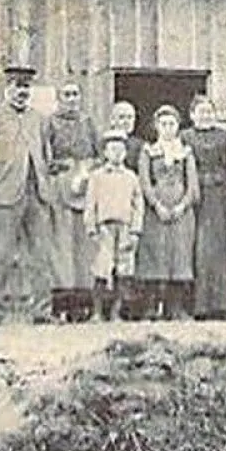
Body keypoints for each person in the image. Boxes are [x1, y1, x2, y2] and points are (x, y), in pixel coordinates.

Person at [0, 64, 58, 323]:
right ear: (7, 88)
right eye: (17, 86)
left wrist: (43, 180)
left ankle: (42, 310)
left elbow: (46, 154)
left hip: (37, 195)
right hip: (6, 197)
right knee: (1, 255)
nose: (21, 92)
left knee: (41, 255)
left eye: (25, 87)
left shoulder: (39, 119)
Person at [136, 105, 200, 321]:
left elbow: (192, 183)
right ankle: (151, 307)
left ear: (178, 126)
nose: (168, 128)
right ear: (156, 127)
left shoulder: (186, 152)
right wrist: (156, 205)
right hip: (157, 210)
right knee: (155, 255)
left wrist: (183, 205)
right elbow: (144, 181)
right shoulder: (148, 151)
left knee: (179, 255)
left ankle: (176, 307)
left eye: (172, 124)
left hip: (181, 209)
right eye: (163, 124)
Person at [181, 96, 226, 319]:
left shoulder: (225, 136)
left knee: (219, 251)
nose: (206, 116)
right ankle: (198, 306)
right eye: (201, 112)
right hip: (196, 196)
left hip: (220, 196)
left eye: (209, 112)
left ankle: (222, 305)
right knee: (198, 250)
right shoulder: (185, 137)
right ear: (192, 115)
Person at [47, 79, 102, 293]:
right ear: (60, 99)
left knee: (85, 239)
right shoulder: (51, 123)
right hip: (60, 185)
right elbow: (46, 156)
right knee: (62, 239)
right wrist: (63, 166)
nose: (72, 99)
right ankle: (63, 291)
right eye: (67, 95)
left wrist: (86, 169)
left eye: (75, 94)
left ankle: (84, 292)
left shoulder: (88, 122)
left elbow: (100, 154)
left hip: (85, 182)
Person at [84, 131, 143, 321]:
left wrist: (135, 230)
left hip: (125, 227)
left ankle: (116, 311)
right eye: (112, 149)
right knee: (102, 268)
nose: (117, 153)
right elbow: (90, 203)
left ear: (125, 153)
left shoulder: (131, 177)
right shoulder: (97, 176)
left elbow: (138, 205)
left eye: (120, 149)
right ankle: (97, 312)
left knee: (123, 269)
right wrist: (91, 227)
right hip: (104, 228)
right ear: (105, 153)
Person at [107, 101, 143, 171]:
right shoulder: (104, 143)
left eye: (130, 117)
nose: (126, 122)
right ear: (112, 120)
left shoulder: (141, 146)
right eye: (121, 117)